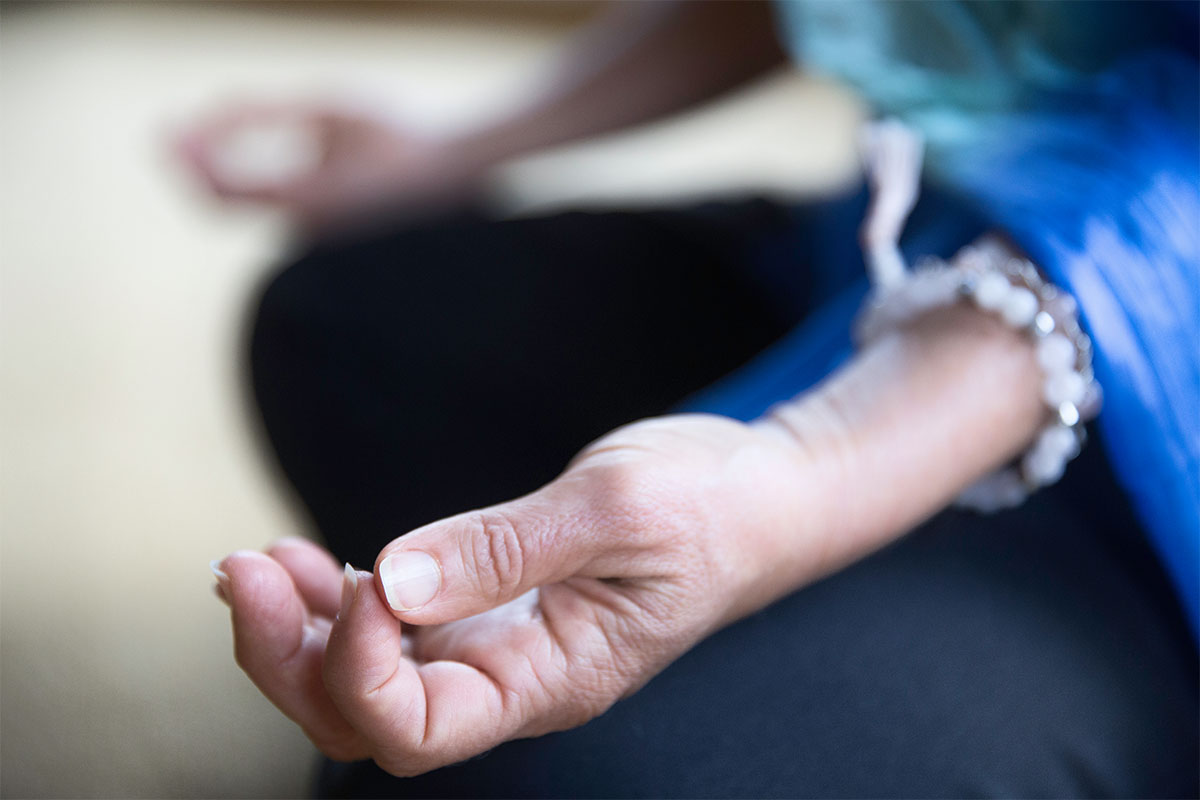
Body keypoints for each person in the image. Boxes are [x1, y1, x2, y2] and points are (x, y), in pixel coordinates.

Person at [193, 2, 1198, 796]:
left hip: (1159, 466)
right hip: (885, 261)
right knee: (351, 322)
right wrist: (457, 146)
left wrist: (814, 461)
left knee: (544, 778)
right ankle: (536, 641)